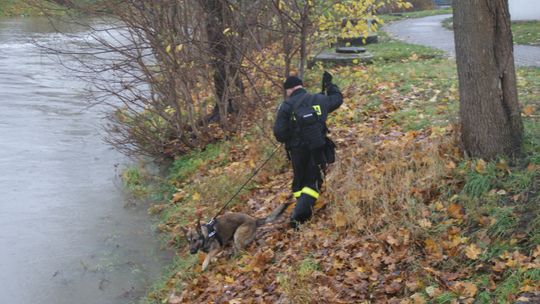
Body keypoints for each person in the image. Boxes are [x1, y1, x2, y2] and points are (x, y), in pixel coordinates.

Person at [273, 72, 343, 227]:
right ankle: (299, 216)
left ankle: (301, 211)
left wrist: (292, 133)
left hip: (297, 151)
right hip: (318, 147)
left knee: (300, 181)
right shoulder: (319, 99)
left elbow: (279, 134)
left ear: (288, 90)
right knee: (313, 181)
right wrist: (330, 85)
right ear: (301, 86)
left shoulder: (286, 106)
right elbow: (337, 99)